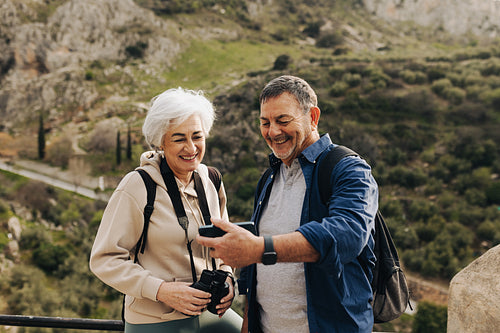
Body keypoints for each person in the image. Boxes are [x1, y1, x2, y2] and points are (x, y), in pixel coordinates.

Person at [197, 75, 379, 333]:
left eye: (283, 120)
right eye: (265, 122)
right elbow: (254, 272)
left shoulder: (348, 169)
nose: (272, 132)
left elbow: (347, 234)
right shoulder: (269, 178)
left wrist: (260, 248)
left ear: (313, 117)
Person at [90, 87, 241, 333]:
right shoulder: (138, 185)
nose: (191, 148)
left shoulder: (211, 179)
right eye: (179, 138)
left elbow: (223, 243)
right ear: (161, 141)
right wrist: (160, 290)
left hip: (210, 316)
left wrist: (227, 276)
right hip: (155, 322)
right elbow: (104, 259)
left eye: (197, 136)